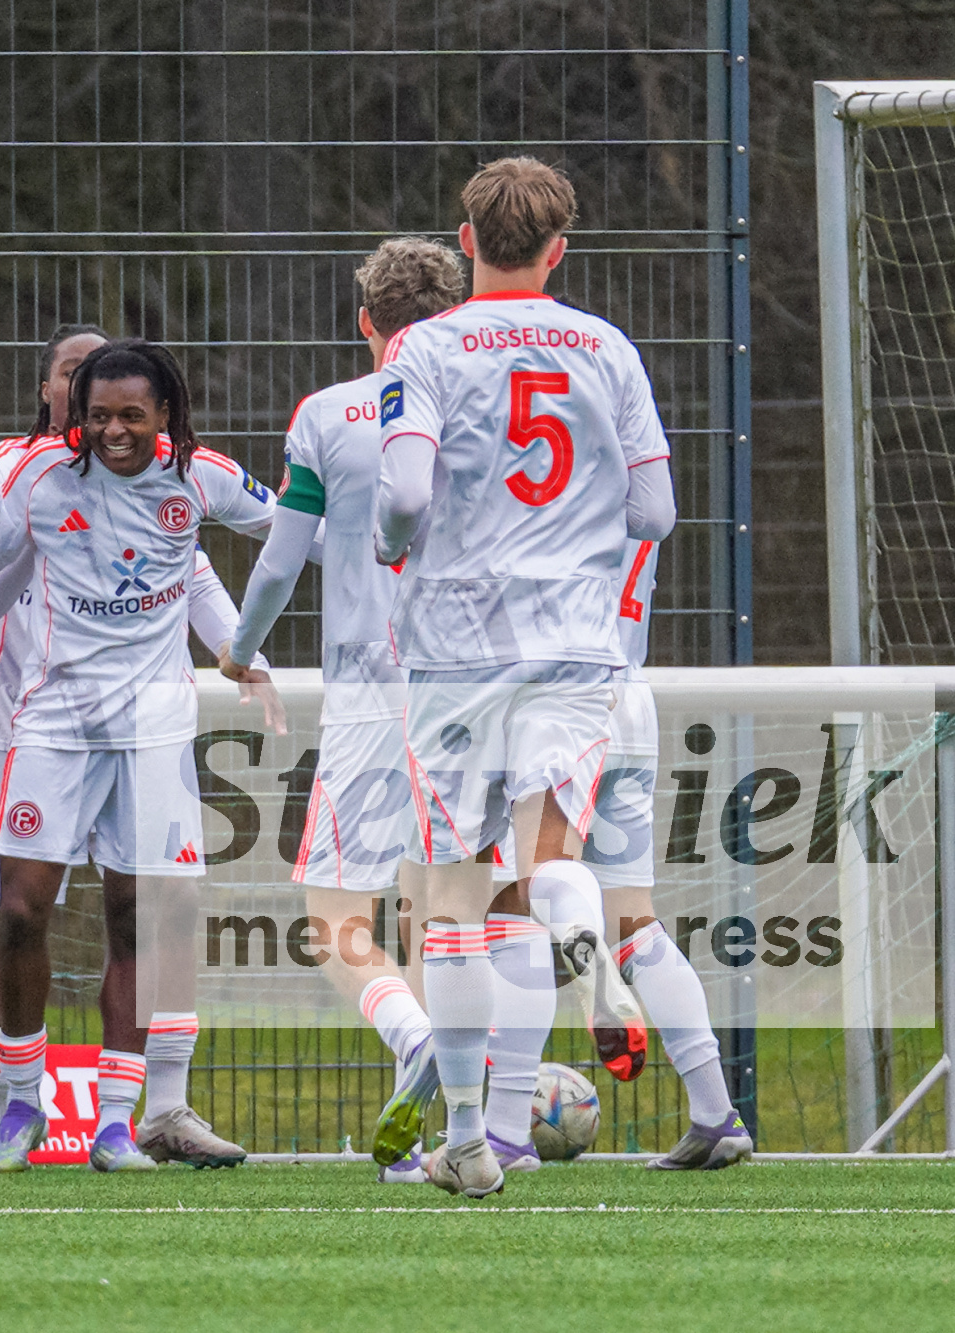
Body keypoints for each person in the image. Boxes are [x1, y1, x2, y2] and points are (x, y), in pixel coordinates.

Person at [370, 158, 677, 1198]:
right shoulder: (607, 347)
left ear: (464, 242)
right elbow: (654, 513)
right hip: (575, 641)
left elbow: (404, 494)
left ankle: (465, 1136)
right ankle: (581, 937)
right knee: (548, 857)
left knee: (455, 898)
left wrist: (393, 545)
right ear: (558, 250)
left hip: (456, 644)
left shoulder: (424, 345)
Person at [0, 339, 277, 1172]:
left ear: (166, 415)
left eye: (130, 416)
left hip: (153, 732)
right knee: (19, 910)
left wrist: (248, 646)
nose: (112, 431)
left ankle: (118, 1120)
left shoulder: (199, 475)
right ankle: (20, 1104)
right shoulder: (34, 473)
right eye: (96, 416)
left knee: (139, 914)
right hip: (51, 725)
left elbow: (291, 530)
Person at [220, 237, 467, 1184]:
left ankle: (412, 1039)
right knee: (444, 915)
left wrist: (239, 650)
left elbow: (279, 562)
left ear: (366, 320)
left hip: (372, 688)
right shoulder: (482, 400)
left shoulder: (328, 413)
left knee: (333, 916)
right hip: (475, 684)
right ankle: (466, 1129)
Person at [489, 541, 753, 1170]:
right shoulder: (641, 490)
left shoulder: (553, 488)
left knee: (514, 909)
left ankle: (503, 1131)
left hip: (554, 700)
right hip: (629, 696)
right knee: (634, 920)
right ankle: (716, 1113)